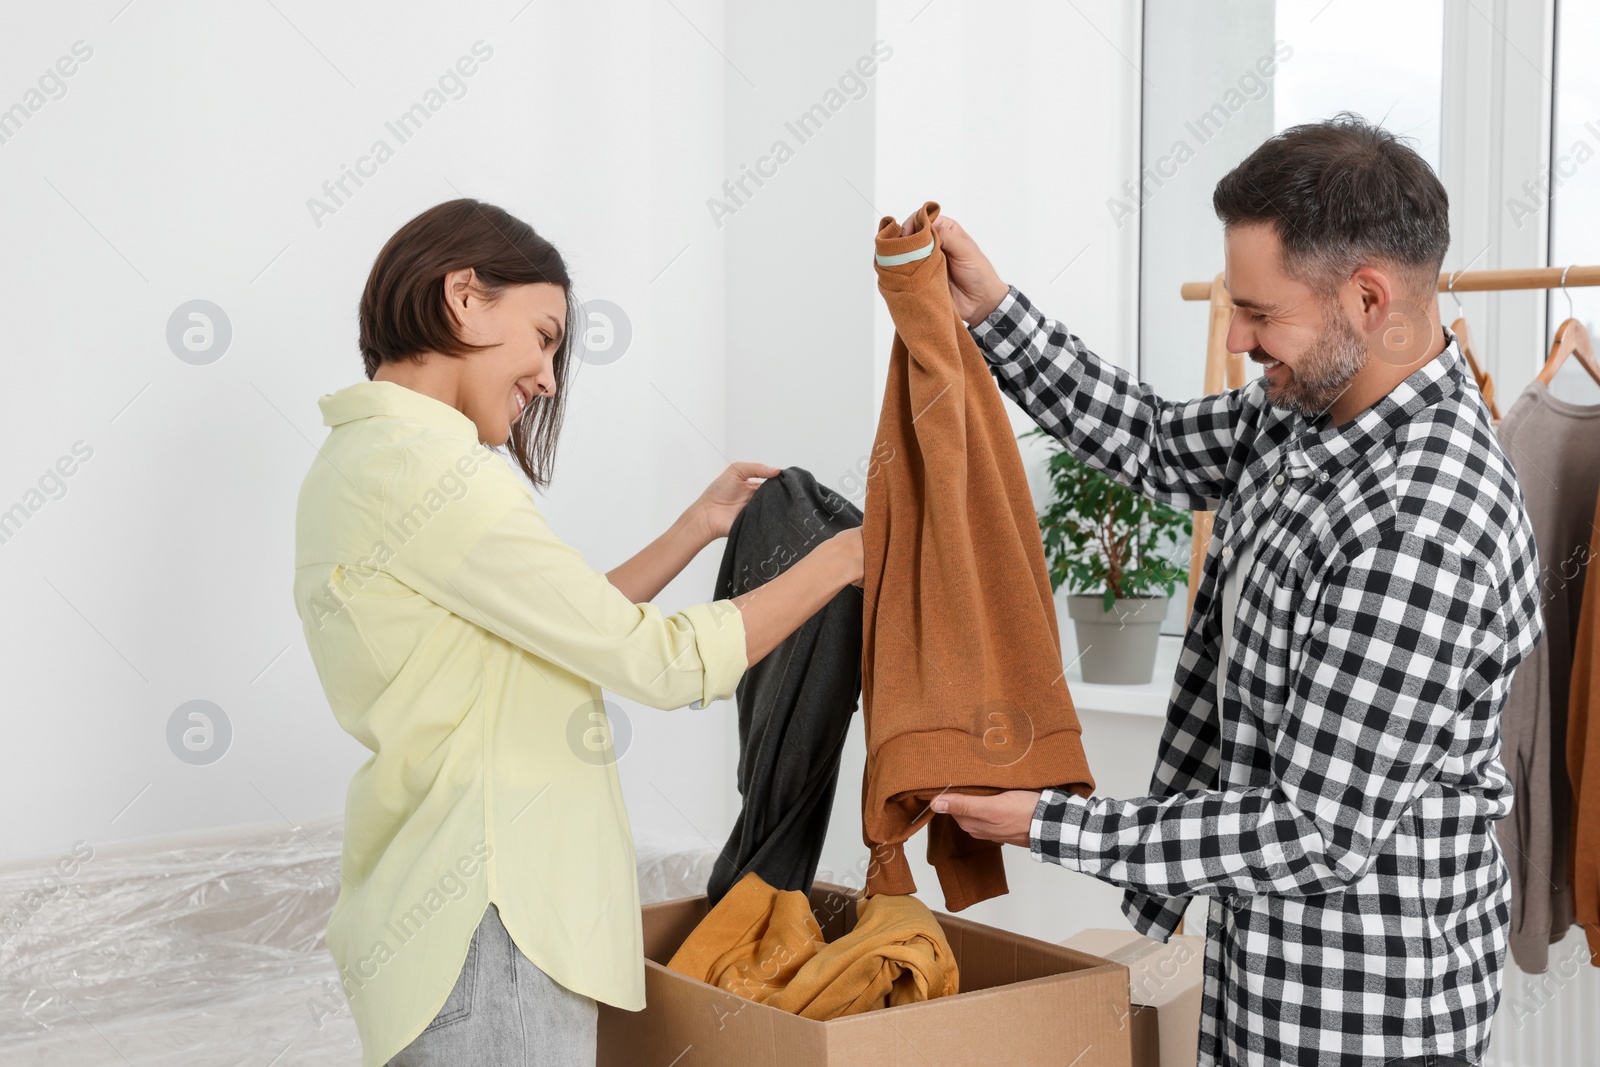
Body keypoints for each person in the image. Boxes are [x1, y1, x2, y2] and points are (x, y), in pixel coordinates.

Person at [928, 113, 1543, 1067]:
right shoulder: (1310, 413)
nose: (1241, 338)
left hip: (1365, 1026)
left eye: (1259, 314)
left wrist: (1048, 821)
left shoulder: (1425, 523)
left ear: (1369, 296)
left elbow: (1312, 830)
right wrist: (995, 312)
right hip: (1260, 987)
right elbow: (1153, 440)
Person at [292, 198, 862, 1067]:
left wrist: (693, 528)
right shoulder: (431, 471)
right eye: (545, 335)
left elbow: (548, 634)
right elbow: (658, 662)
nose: (549, 378)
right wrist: (852, 556)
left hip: (448, 924)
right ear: (465, 295)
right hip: (493, 925)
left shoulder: (361, 463)